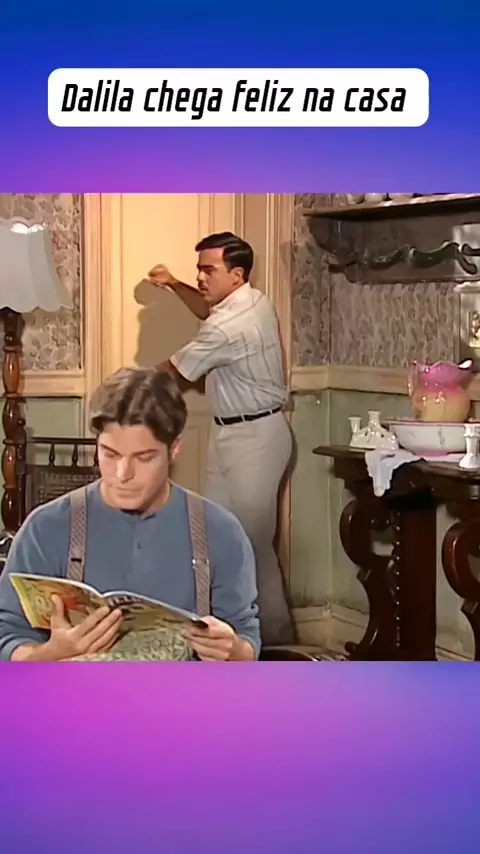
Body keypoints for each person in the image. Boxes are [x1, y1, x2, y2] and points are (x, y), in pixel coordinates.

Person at [0, 367, 260, 662]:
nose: (123, 474)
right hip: (78, 692)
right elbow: (7, 636)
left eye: (144, 458)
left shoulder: (221, 531)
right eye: (110, 454)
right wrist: (50, 654)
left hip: (183, 691)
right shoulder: (46, 528)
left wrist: (233, 650)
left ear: (174, 448)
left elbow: (245, 640)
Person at [148, 231, 294, 645]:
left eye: (208, 270)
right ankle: (223, 636)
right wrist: (173, 283)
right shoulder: (251, 299)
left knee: (252, 547)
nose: (200, 277)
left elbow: (175, 373)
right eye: (199, 269)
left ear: (237, 274)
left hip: (256, 439)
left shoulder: (231, 325)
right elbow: (206, 308)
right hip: (232, 432)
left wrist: (124, 387)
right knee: (214, 538)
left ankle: (276, 643)